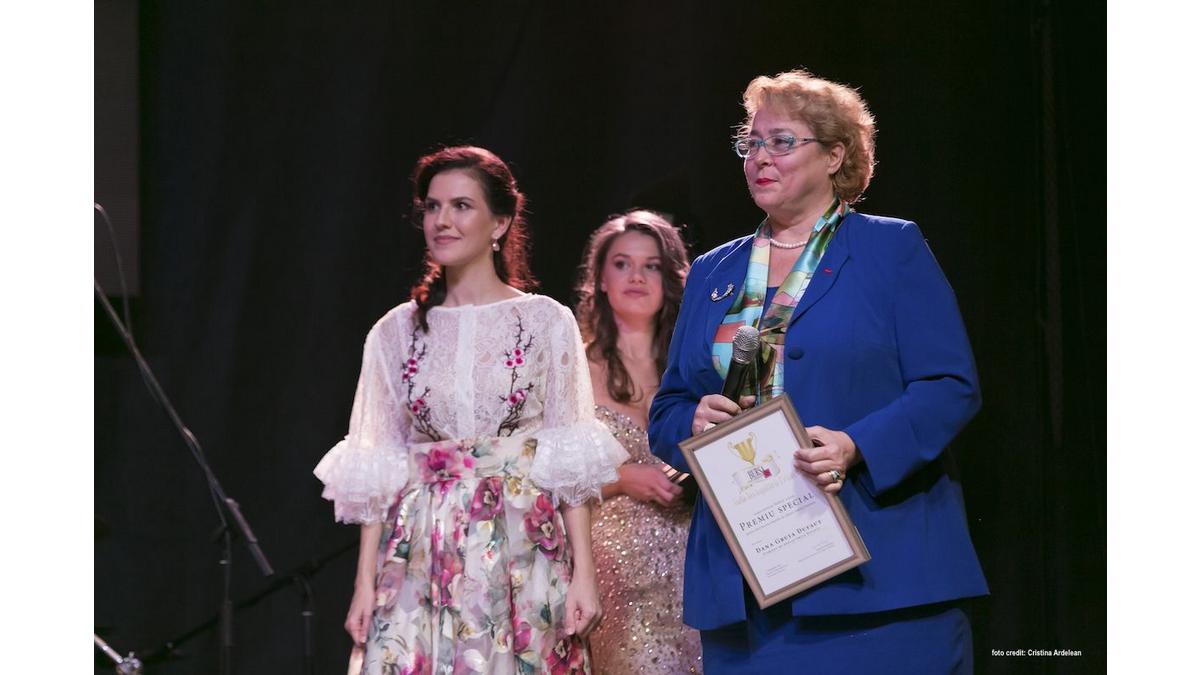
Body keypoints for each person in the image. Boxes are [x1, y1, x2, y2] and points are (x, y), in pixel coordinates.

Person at [648, 69, 988, 673]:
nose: (760, 157)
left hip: (879, 579)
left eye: (781, 141)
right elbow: (669, 406)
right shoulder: (711, 271)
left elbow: (949, 386)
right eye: (751, 143)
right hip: (746, 588)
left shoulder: (890, 249)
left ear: (835, 156)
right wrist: (691, 419)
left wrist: (858, 445)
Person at [314, 146, 628, 674]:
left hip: (520, 540)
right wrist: (364, 583)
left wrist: (584, 576)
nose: (442, 220)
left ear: (499, 222)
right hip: (421, 546)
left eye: (461, 206)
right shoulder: (395, 332)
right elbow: (379, 462)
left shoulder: (544, 321)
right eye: (432, 207)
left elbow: (568, 455)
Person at [573, 210, 703, 674]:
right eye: (622, 264)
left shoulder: (693, 369)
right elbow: (541, 475)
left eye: (652, 266)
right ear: (600, 279)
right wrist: (623, 478)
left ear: (670, 280)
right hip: (614, 566)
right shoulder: (573, 370)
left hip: (693, 559)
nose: (636, 277)